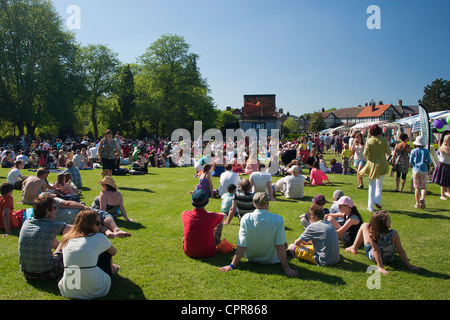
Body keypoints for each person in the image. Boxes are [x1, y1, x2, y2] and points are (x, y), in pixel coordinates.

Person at [219, 192, 298, 277]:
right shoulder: (277, 219)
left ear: (254, 204)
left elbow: (242, 244)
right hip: (271, 259)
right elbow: (280, 245)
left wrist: (232, 265)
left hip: (251, 257)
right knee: (290, 246)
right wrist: (286, 268)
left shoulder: (246, 218)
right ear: (267, 204)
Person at [58, 210, 119, 299]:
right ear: (88, 224)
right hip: (96, 290)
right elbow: (114, 252)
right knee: (106, 252)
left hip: (69, 290)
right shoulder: (99, 237)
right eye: (98, 223)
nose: (100, 226)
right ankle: (112, 268)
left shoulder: (67, 239)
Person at [345, 210, 419, 275]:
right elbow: (400, 250)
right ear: (384, 223)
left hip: (373, 257)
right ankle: (353, 248)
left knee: (364, 225)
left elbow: (375, 250)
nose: (390, 221)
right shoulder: (394, 234)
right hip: (389, 258)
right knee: (367, 227)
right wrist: (409, 266)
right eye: (389, 220)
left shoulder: (372, 233)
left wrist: (381, 267)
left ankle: (354, 248)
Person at [18, 193, 71, 280]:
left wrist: (58, 248)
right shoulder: (52, 226)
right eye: (54, 208)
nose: (56, 210)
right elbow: (77, 228)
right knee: (69, 238)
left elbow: (50, 238)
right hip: (47, 273)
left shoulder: (27, 223)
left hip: (27, 274)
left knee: (48, 237)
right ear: (47, 210)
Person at [181, 190, 225, 258]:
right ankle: (216, 241)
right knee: (219, 222)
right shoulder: (212, 217)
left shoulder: (184, 214)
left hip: (188, 251)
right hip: (208, 252)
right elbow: (223, 215)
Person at [359, 124, 391, 212]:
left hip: (372, 164)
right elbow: (389, 152)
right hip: (382, 164)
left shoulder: (369, 141)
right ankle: (377, 200)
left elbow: (365, 153)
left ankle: (370, 207)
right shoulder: (384, 140)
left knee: (371, 186)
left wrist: (369, 154)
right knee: (379, 184)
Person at [409, 136, 432, 209]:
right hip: (424, 170)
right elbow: (428, 161)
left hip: (416, 169)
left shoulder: (413, 151)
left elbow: (411, 161)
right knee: (424, 187)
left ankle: (417, 203)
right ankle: (422, 197)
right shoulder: (426, 151)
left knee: (417, 187)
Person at [431, 134, 450, 200]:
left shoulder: (446, 146)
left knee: (448, 180)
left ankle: (448, 192)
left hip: (447, 164)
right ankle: (442, 195)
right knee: (443, 180)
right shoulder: (445, 147)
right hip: (444, 165)